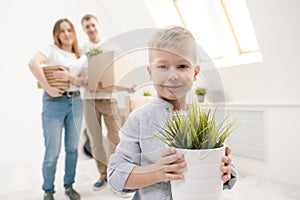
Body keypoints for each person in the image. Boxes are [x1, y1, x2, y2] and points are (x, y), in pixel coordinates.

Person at [108, 26, 237, 199]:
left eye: (182, 66)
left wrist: (226, 171)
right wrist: (156, 171)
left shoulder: (208, 123)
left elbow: (227, 175)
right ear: (150, 72)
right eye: (162, 66)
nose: (173, 75)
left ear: (195, 72)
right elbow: (116, 176)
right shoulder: (139, 119)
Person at [28, 18, 86, 200]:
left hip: (76, 101)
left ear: (74, 33)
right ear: (56, 34)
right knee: (52, 150)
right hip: (54, 103)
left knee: (72, 149)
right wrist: (48, 88)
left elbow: (85, 81)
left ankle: (69, 186)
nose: (67, 33)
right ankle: (48, 191)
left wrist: (70, 77)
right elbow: (32, 63)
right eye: (62, 31)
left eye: (69, 30)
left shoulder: (81, 55)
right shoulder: (51, 50)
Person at [80, 14, 123, 191]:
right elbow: (79, 72)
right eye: (87, 26)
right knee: (95, 138)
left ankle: (116, 174)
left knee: (115, 136)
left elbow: (119, 69)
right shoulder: (82, 49)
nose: (91, 29)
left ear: (98, 25)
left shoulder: (111, 45)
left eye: (92, 25)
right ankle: (103, 174)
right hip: (88, 99)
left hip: (108, 97)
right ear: (84, 29)